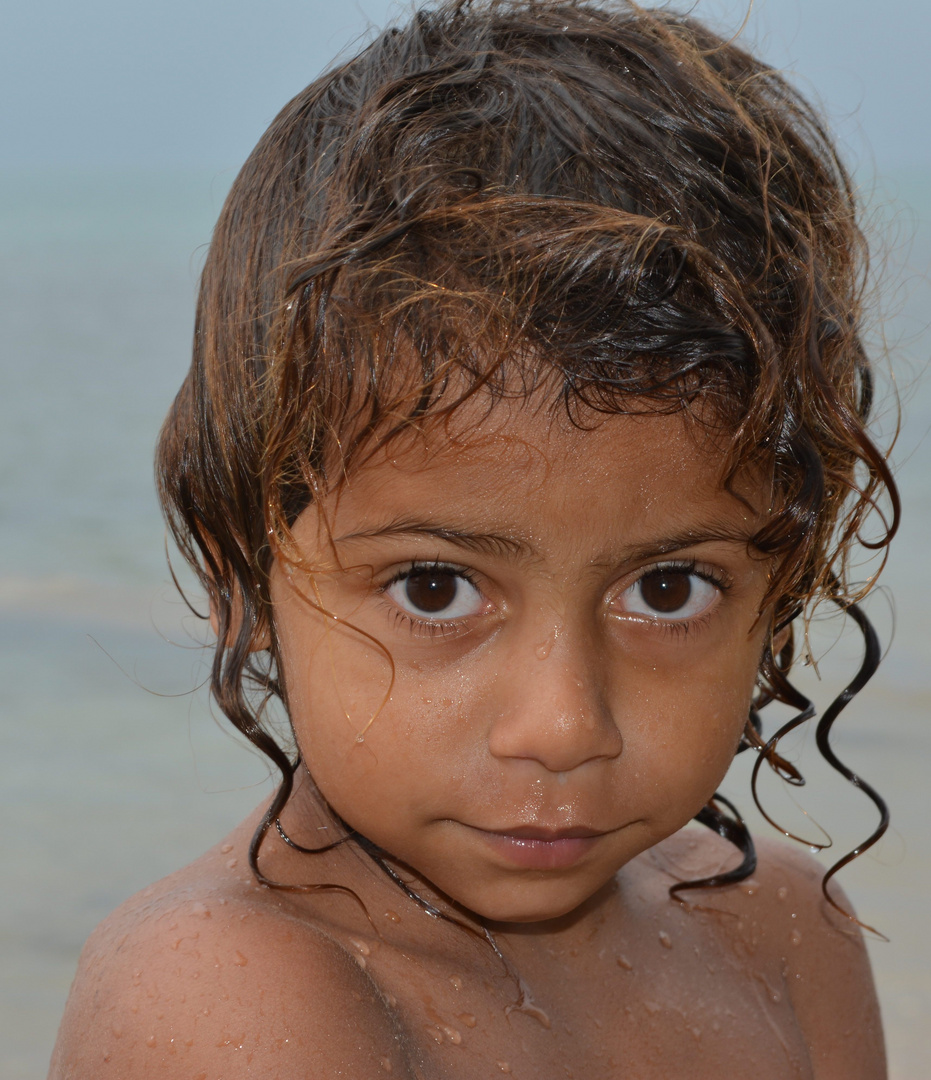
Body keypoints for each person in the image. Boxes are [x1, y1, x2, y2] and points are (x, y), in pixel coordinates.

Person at [49, 1, 898, 1076]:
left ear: (784, 583)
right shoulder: (235, 994)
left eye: (670, 588)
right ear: (240, 571)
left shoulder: (783, 936)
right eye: (436, 589)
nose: (559, 725)